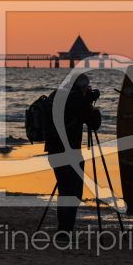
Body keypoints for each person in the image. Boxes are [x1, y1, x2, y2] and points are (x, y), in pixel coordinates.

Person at [44, 73, 101, 242]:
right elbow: (94, 124)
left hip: (53, 151)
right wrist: (95, 111)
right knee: (73, 193)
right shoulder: (77, 99)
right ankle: (63, 234)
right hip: (70, 153)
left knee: (64, 191)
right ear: (84, 88)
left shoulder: (55, 95)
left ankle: (62, 231)